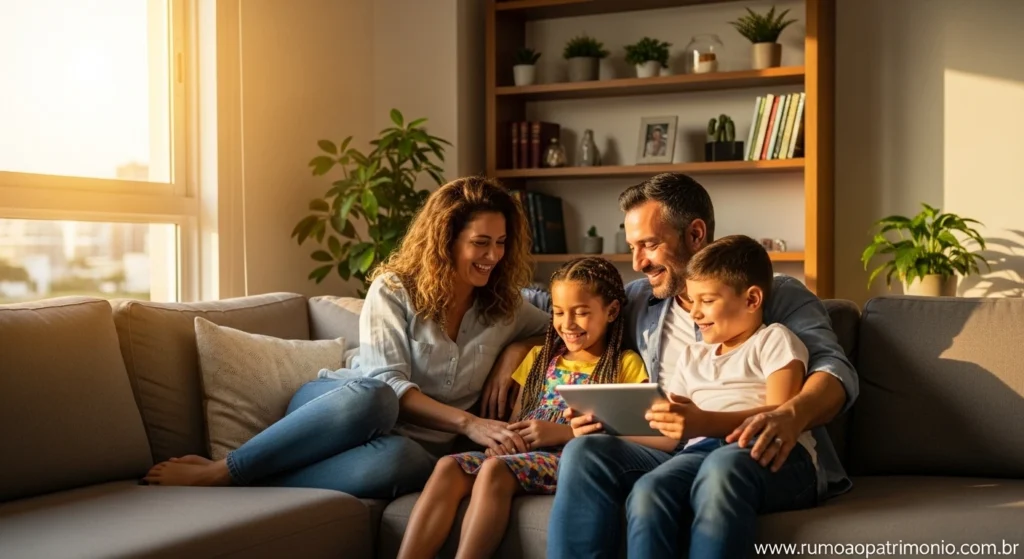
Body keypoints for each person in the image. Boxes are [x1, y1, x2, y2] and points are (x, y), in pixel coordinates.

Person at [479, 172, 858, 558]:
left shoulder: (774, 296)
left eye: (649, 244)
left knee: (717, 470)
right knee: (584, 450)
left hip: (747, 447)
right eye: (632, 246)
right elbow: (568, 315)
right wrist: (522, 347)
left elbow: (834, 372)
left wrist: (790, 414)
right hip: (674, 446)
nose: (638, 262)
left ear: (695, 235)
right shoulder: (639, 299)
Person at [143, 176, 552, 499]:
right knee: (377, 397)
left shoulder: (505, 308)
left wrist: (517, 349)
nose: (493, 256)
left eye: (500, 243)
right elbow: (387, 382)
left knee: (409, 462)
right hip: (341, 408)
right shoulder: (395, 289)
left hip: (403, 444)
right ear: (446, 241)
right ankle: (223, 471)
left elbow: (561, 326)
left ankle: (252, 481)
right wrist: (471, 423)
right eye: (480, 243)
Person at [396, 257, 649, 559]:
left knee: (495, 469)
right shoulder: (539, 358)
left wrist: (561, 433)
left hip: (567, 461)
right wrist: (504, 442)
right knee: (448, 465)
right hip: (523, 454)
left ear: (611, 311)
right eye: (558, 312)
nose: (567, 324)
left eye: (581, 313)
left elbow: (632, 433)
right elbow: (518, 419)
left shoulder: (626, 365)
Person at [636, 234, 818, 557]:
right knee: (649, 488)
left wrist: (703, 421)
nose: (694, 313)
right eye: (692, 302)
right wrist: (609, 425)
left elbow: (776, 415)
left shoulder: (774, 341)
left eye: (707, 301)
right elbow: (670, 435)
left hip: (773, 453)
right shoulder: (693, 356)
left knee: (721, 467)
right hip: (700, 453)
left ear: (751, 300)